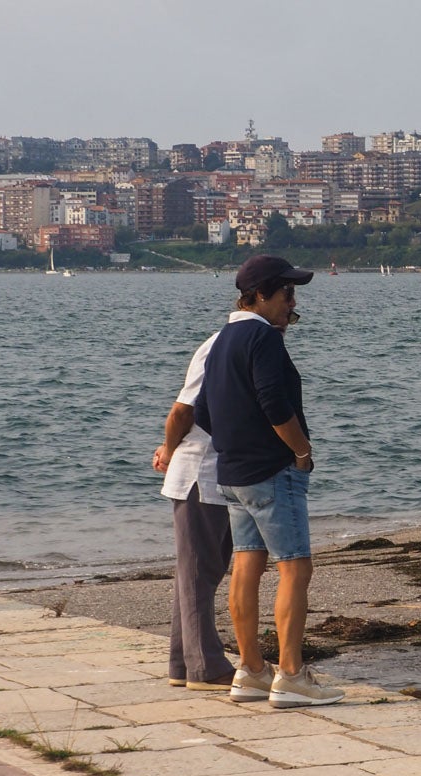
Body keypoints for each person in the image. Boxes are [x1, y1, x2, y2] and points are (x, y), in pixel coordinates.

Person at [195, 254, 343, 709]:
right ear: (259, 295)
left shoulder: (221, 339)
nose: (292, 302)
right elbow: (275, 404)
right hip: (272, 470)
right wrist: (301, 451)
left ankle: (251, 671)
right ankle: (293, 675)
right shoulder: (262, 338)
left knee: (245, 564)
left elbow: (202, 412)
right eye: (287, 294)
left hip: (233, 471)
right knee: (295, 567)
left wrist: (237, 439)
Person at [152, 333, 235, 691]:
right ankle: (206, 666)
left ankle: (182, 663)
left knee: (198, 573)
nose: (291, 311)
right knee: (199, 572)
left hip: (217, 474)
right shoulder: (220, 345)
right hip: (199, 473)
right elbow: (181, 411)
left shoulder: (238, 343)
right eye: (286, 299)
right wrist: (169, 451)